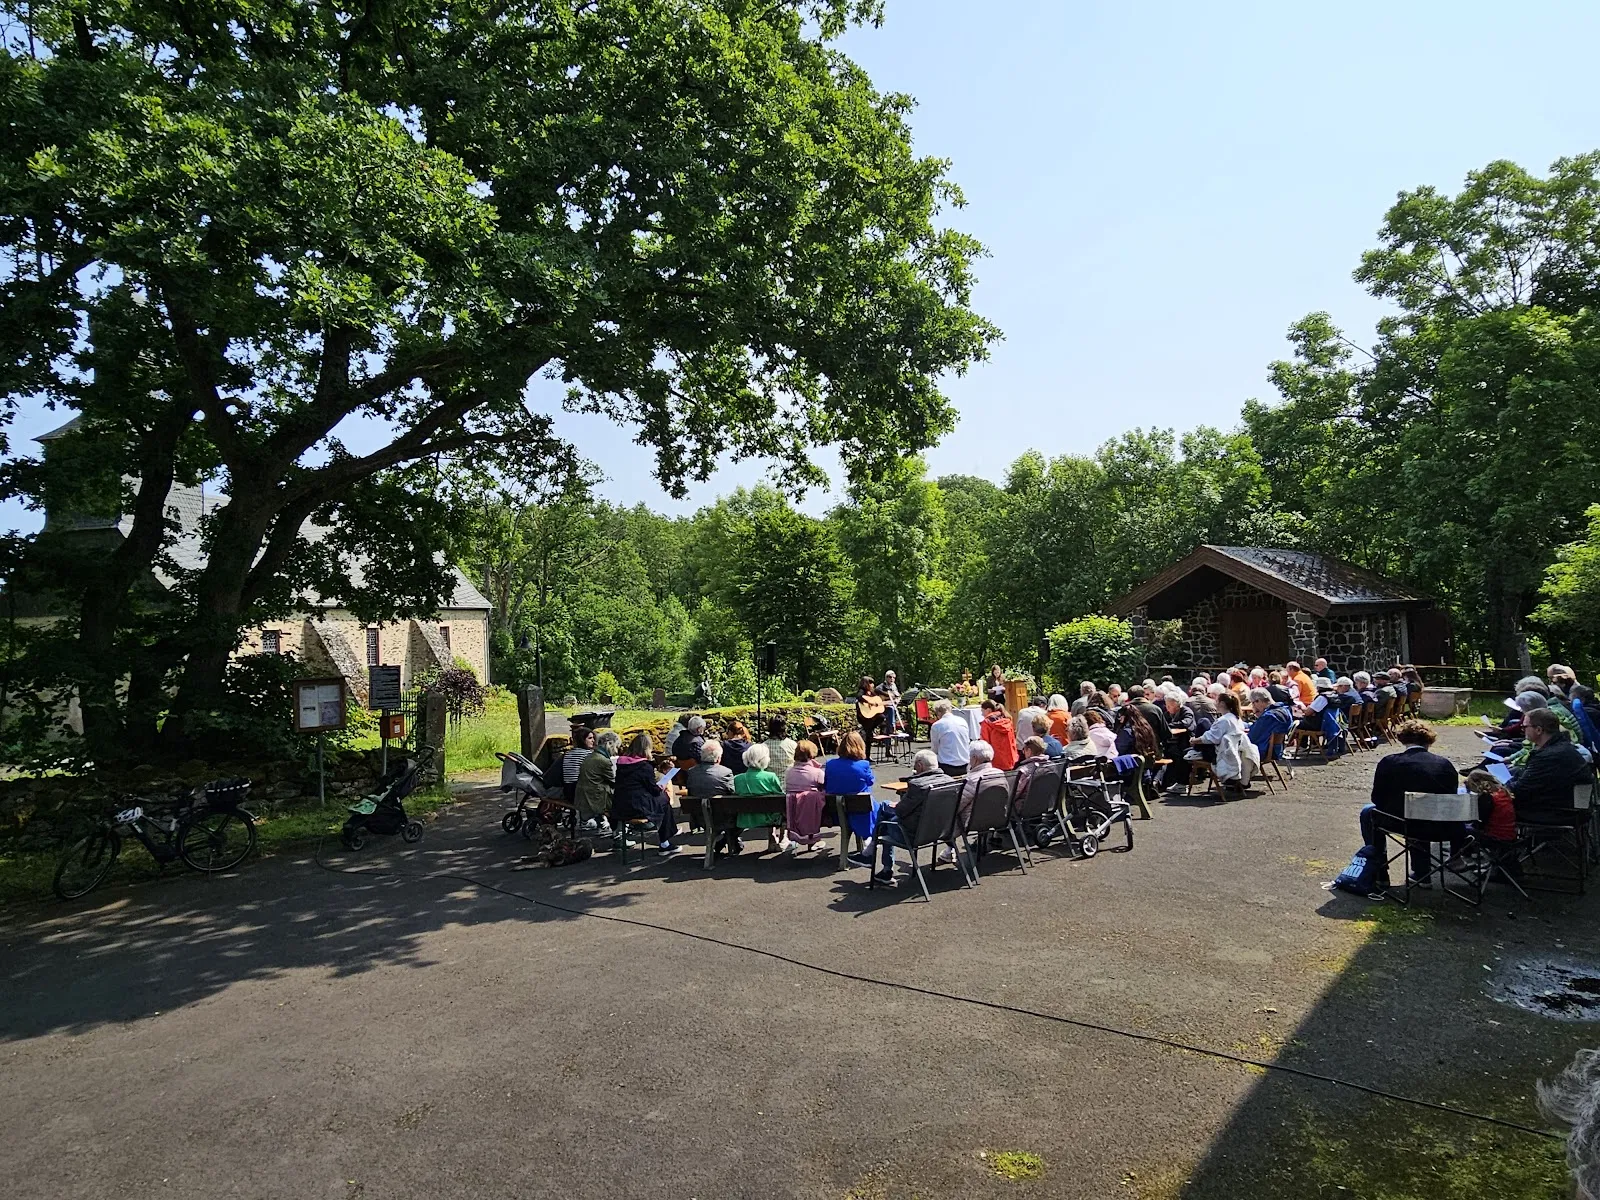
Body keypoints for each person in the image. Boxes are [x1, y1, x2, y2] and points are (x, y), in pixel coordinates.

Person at [1358, 719, 1463, 884]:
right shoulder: (1445, 764)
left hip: (1402, 822)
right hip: (1440, 824)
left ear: (1403, 738)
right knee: (1420, 814)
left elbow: (1377, 798)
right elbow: (1451, 797)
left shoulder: (1389, 762)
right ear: (1429, 740)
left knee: (1368, 812)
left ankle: (1380, 871)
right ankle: (1422, 873)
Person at [825, 732, 891, 883]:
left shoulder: (830, 764)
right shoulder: (863, 765)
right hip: (861, 811)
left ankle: (868, 844)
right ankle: (871, 840)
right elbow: (871, 781)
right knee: (870, 798)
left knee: (859, 797)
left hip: (836, 811)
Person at [1511, 708, 1591, 814]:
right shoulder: (1561, 746)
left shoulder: (1549, 756)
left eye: (1524, 726)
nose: (1522, 730)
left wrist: (1499, 785)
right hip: (1561, 804)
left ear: (1539, 730)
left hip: (1555, 811)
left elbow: (1520, 790)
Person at [611, 731, 679, 855]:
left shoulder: (621, 763)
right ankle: (665, 842)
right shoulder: (644, 766)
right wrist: (665, 780)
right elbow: (654, 789)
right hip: (636, 807)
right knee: (664, 800)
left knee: (661, 800)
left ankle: (666, 840)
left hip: (620, 805)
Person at [732, 743, 786, 854]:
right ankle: (782, 837)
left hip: (745, 819)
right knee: (779, 805)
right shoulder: (770, 777)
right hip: (769, 818)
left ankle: (772, 837)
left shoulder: (737, 779)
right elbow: (780, 797)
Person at [1196, 690, 1255, 787]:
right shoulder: (1237, 719)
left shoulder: (1223, 720)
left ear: (1222, 704)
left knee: (1203, 722)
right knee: (1205, 724)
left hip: (1219, 753)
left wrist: (1194, 741)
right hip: (1233, 752)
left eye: (1217, 701)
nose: (1215, 703)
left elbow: (1212, 738)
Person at [783, 739, 829, 854]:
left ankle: (798, 838)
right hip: (813, 812)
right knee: (816, 799)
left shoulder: (788, 771)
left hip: (792, 811)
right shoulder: (817, 773)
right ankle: (812, 839)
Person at [683, 739, 735, 833]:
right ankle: (728, 841)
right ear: (719, 757)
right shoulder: (726, 772)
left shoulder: (691, 772)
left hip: (700, 818)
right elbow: (732, 793)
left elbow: (690, 792)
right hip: (723, 818)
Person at [575, 729, 619, 828]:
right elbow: (614, 782)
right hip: (594, 799)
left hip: (583, 796)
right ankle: (618, 834)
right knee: (622, 798)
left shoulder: (591, 756)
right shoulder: (603, 761)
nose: (616, 750)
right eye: (616, 747)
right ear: (610, 745)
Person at [957, 739, 1004, 822]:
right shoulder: (1000, 773)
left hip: (973, 821)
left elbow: (957, 805)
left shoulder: (971, 779)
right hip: (998, 817)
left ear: (975, 758)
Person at [1247, 687, 1295, 766]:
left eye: (1253, 703)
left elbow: (1252, 737)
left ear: (1258, 701)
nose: (1253, 706)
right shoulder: (1284, 710)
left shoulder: (1268, 717)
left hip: (1266, 751)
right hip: (1278, 749)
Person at [929, 699, 972, 776]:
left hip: (946, 765)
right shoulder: (962, 721)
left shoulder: (937, 725)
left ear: (939, 712)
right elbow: (967, 741)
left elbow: (935, 749)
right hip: (965, 763)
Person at [562, 726, 596, 807]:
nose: (593, 741)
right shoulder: (588, 755)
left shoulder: (567, 754)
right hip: (580, 793)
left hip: (568, 791)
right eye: (590, 738)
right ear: (583, 740)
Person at [979, 699, 1018, 770]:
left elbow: (984, 744)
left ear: (988, 710)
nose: (982, 714)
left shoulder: (987, 723)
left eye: (982, 711)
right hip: (1011, 758)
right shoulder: (1007, 719)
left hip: (996, 762)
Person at [855, 675, 886, 754]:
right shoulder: (862, 690)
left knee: (882, 717)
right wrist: (869, 702)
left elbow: (879, 699)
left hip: (871, 717)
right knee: (868, 736)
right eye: (871, 683)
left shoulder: (872, 692)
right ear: (865, 684)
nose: (872, 685)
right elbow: (858, 697)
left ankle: (871, 729)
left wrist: (889, 698)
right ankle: (866, 755)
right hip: (863, 717)